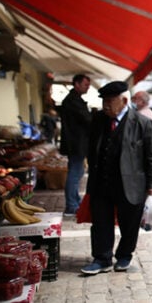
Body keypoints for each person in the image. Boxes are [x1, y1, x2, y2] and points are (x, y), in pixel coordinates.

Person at [81, 81, 152, 275]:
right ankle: (102, 258)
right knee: (100, 221)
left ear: (124, 101)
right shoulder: (99, 120)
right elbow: (92, 150)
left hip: (132, 182)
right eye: (104, 102)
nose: (105, 106)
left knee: (130, 222)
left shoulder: (142, 122)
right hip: (102, 181)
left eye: (110, 101)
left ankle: (125, 255)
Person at [59, 74, 92, 216]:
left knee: (77, 172)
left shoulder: (74, 99)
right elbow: (86, 119)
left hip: (77, 142)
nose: (88, 87)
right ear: (76, 84)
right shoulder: (72, 101)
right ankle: (72, 205)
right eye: (85, 84)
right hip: (76, 143)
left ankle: (75, 201)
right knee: (75, 173)